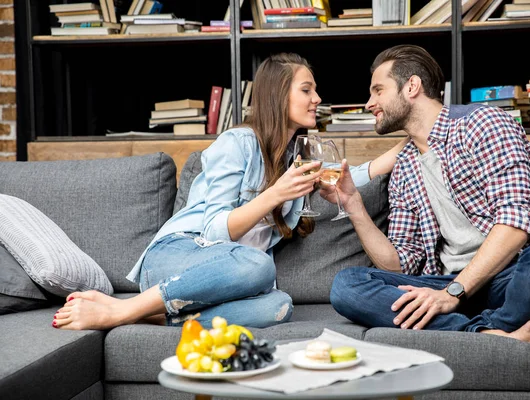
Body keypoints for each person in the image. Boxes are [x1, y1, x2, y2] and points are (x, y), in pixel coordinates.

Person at [53, 53, 406, 330]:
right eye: (306, 89)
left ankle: (152, 316)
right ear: (278, 95)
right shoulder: (237, 142)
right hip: (179, 256)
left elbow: (348, 175)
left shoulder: (294, 160)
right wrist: (275, 194)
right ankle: (125, 309)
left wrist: (411, 142)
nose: (317, 97)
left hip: (227, 277)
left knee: (278, 306)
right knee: (258, 265)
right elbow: (213, 231)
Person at [320, 44, 530, 351]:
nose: (369, 103)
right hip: (450, 284)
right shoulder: (405, 165)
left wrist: (452, 293)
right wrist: (354, 206)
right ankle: (492, 333)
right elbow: (402, 264)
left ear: (412, 86)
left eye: (378, 90)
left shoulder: (485, 124)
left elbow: (515, 225)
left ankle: (479, 328)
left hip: (513, 277)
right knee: (348, 285)